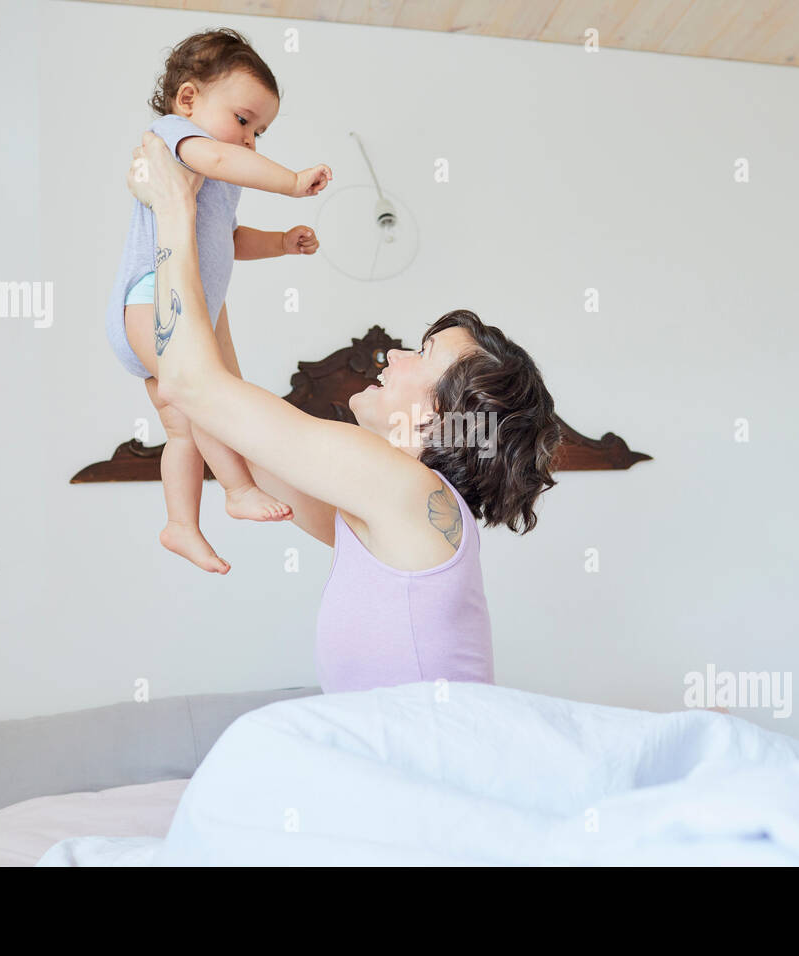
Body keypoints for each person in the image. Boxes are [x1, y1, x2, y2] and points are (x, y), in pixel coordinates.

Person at [126, 130, 563, 694]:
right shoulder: (388, 504)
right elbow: (225, 413)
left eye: (423, 354)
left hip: (428, 767)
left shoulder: (401, 487)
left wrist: (173, 212)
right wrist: (210, 267)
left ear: (442, 416)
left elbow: (192, 384)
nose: (396, 354)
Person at [105, 27, 332, 574]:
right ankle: (236, 488)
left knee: (184, 426)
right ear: (189, 99)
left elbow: (227, 240)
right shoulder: (176, 139)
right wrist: (290, 182)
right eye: (244, 120)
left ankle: (180, 525)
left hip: (180, 312)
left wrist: (278, 243)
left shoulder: (216, 171)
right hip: (151, 301)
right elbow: (231, 163)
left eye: (261, 131)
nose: (250, 140)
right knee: (210, 399)